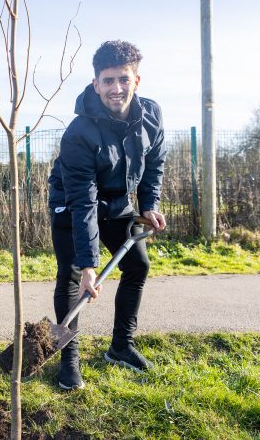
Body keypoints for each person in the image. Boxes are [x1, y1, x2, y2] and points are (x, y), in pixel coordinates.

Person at [48, 40, 167, 390]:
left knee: (138, 266)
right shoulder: (78, 133)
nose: (116, 89)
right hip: (72, 205)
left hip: (116, 202)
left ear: (136, 80)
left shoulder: (152, 115)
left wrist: (148, 204)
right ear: (96, 82)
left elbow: (154, 163)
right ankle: (69, 361)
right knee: (72, 278)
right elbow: (83, 202)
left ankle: (121, 346)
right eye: (108, 80)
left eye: (123, 80)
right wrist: (89, 266)